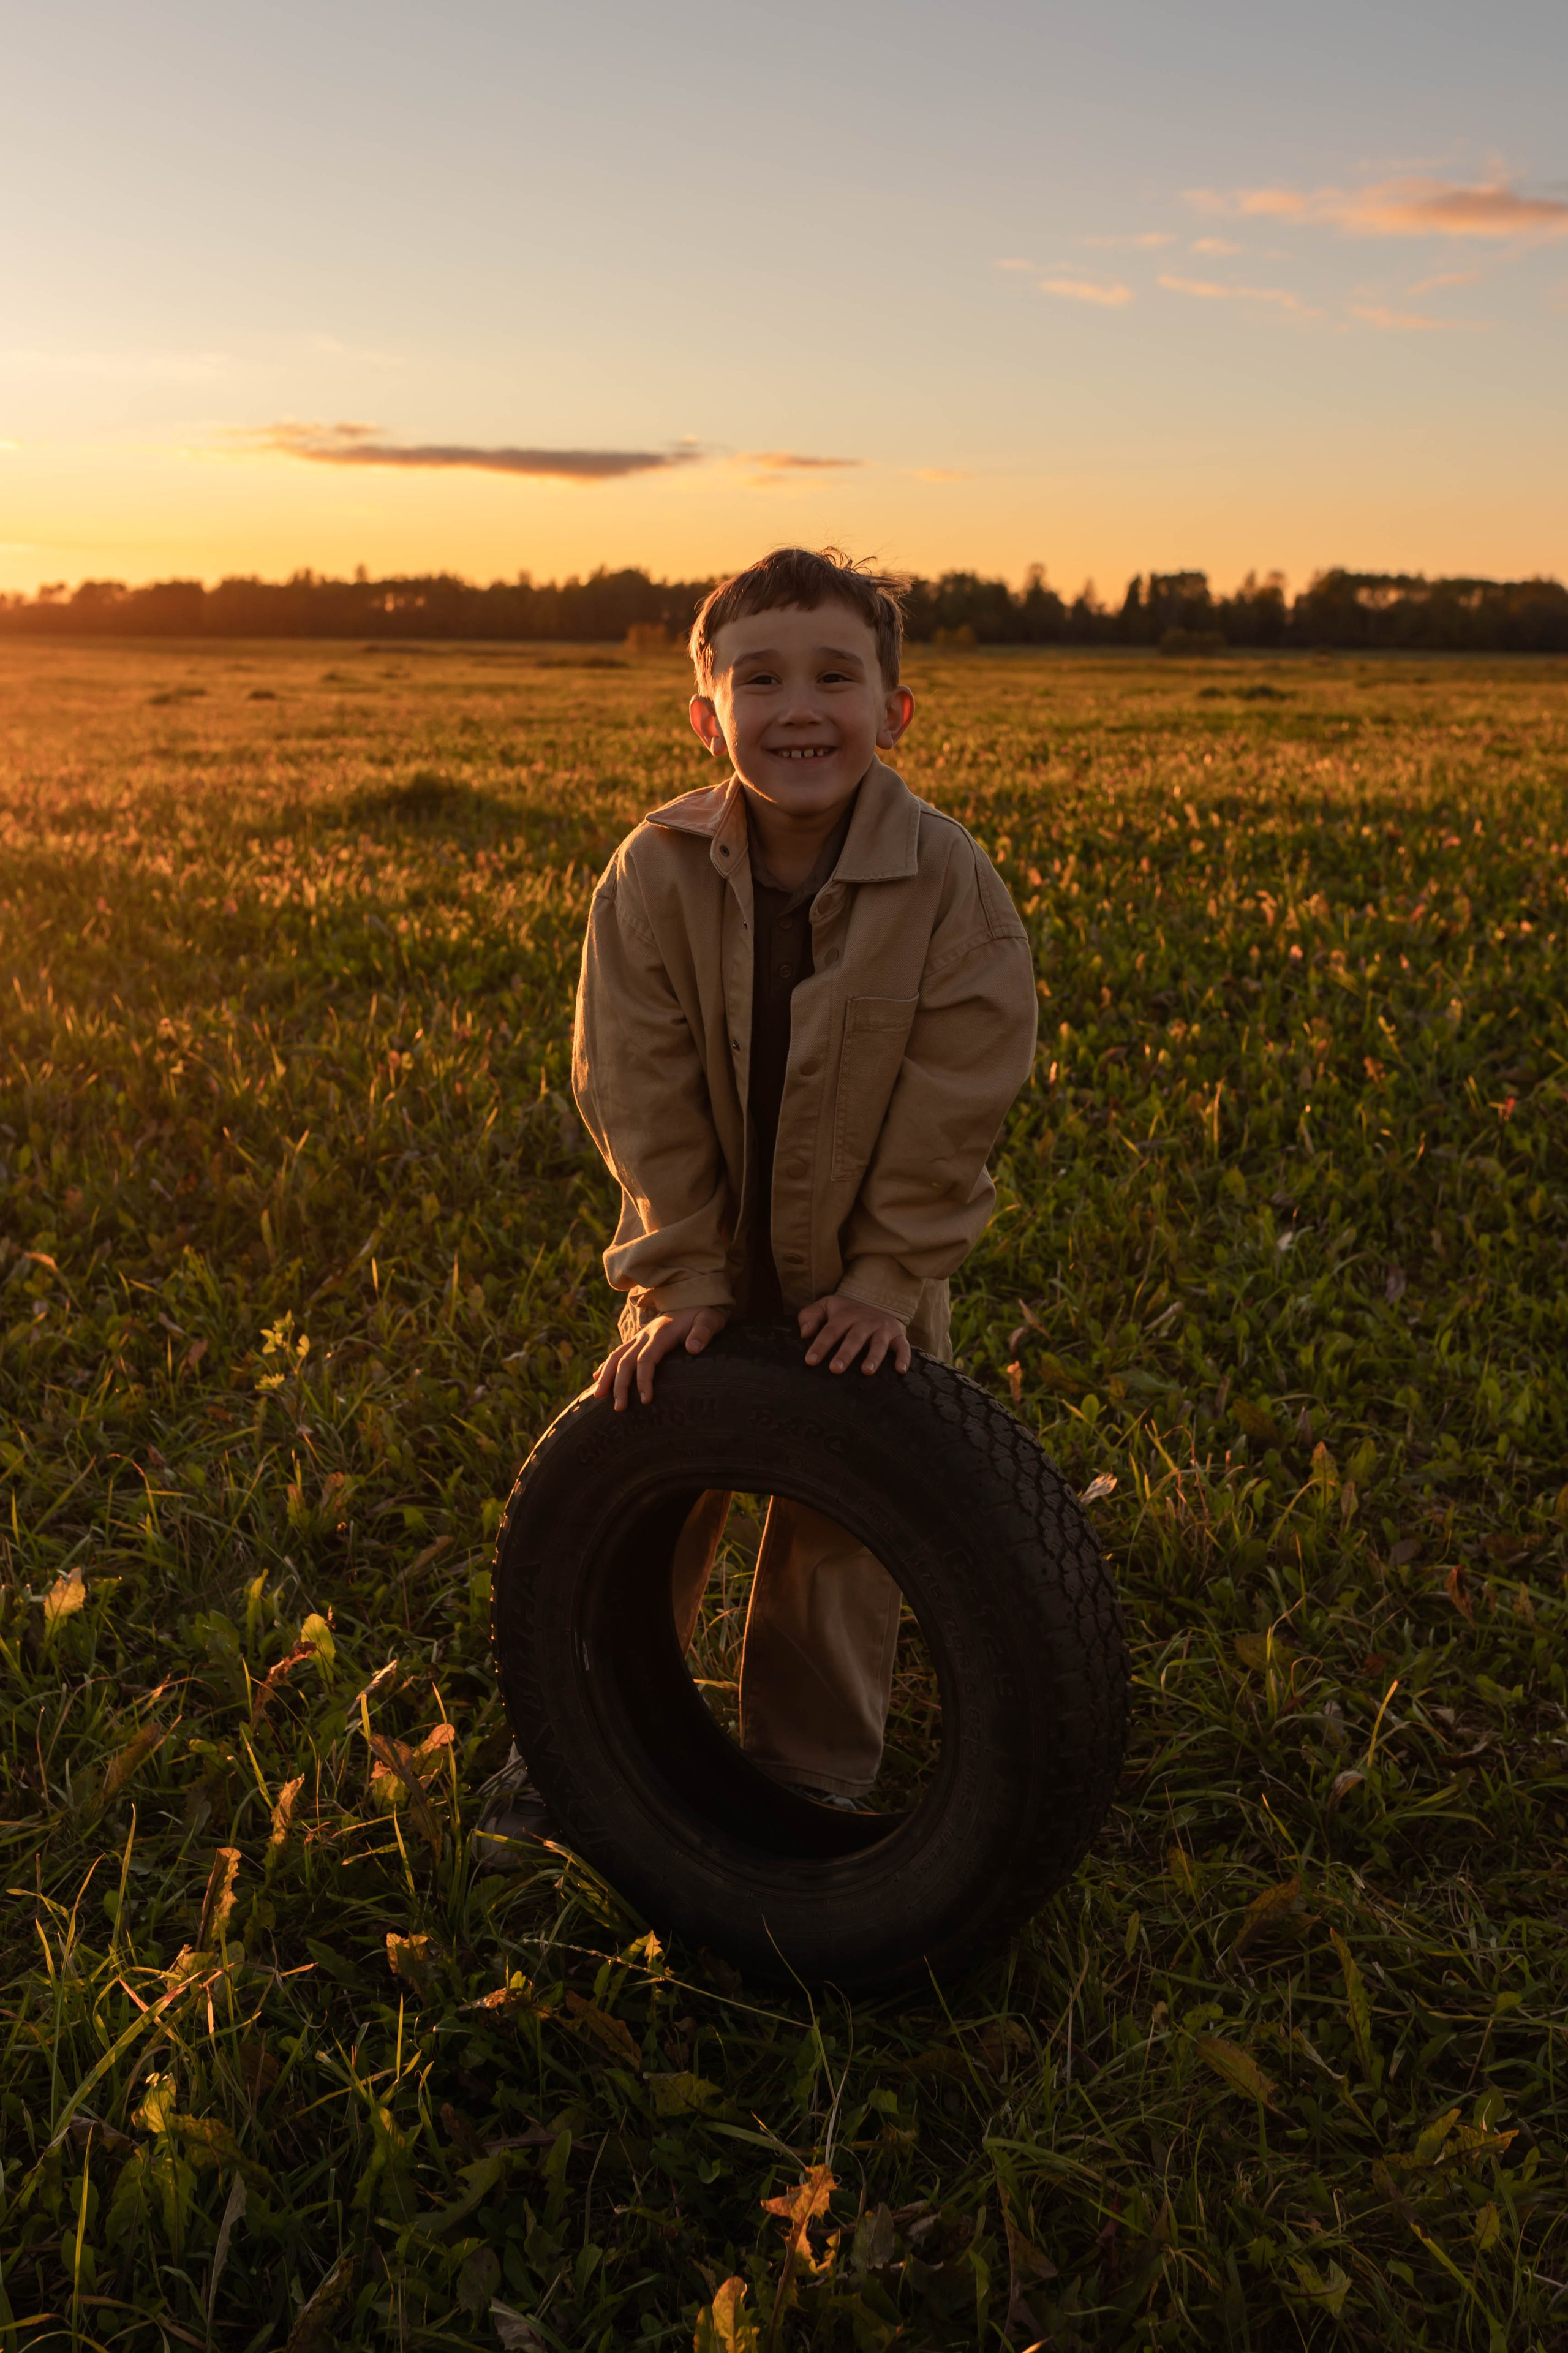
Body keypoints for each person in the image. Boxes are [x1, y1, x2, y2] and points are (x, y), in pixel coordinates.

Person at [475, 547, 1037, 1860]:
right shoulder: (650, 873)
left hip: (866, 1268)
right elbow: (632, 1081)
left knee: (848, 1517)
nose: (798, 708)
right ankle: (572, 1743)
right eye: (758, 676)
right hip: (702, 1261)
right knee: (643, 1483)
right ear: (704, 712)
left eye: (835, 676)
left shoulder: (953, 885)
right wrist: (680, 1274)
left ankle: (809, 1781)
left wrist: (888, 1282)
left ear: (894, 710)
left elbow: (959, 1100)